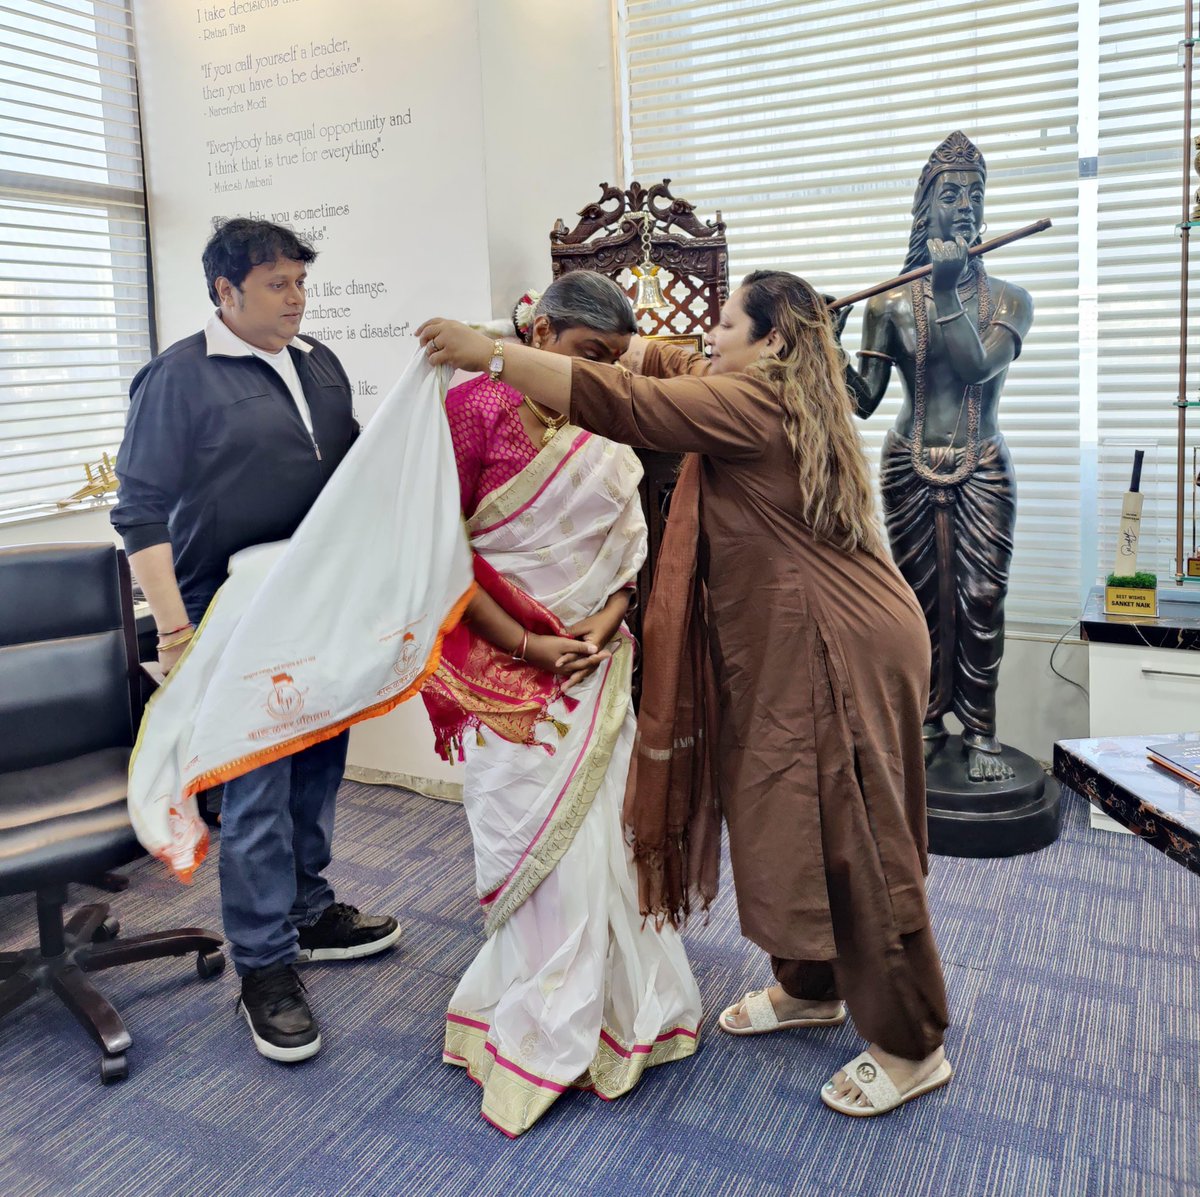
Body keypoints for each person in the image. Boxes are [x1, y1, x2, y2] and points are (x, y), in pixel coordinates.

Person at [418, 269, 951, 1118]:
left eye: (727, 321)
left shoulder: (752, 406)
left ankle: (911, 1041)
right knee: (785, 817)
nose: (709, 334)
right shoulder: (753, 387)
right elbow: (658, 364)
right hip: (792, 644)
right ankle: (811, 986)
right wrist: (586, 332)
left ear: (771, 343)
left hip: (837, 644)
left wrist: (496, 354)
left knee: (856, 836)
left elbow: (630, 402)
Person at [112, 217, 399, 1063]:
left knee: (317, 764)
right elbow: (138, 512)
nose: (296, 298)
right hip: (227, 615)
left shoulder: (317, 363)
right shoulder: (178, 378)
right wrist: (174, 629)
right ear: (224, 291)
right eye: (277, 284)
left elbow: (348, 478)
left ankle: (308, 913)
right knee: (256, 792)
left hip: (316, 607)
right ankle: (265, 968)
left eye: (301, 282)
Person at [421, 271, 701, 1137]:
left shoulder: (604, 412)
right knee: (538, 851)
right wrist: (531, 644)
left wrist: (603, 623)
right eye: (586, 355)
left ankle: (620, 1010)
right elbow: (438, 551)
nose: (600, 375)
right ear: (538, 333)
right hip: (513, 669)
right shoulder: (473, 410)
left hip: (599, 662)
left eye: (614, 361)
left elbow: (627, 552)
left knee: (607, 846)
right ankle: (542, 1021)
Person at [850, 131, 1034, 783]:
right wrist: (821, 343)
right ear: (924, 206)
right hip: (906, 460)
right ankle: (926, 718)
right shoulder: (890, 301)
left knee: (983, 595)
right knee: (917, 598)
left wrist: (953, 291)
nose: (964, 205)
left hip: (983, 459)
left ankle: (981, 727)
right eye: (949, 193)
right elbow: (861, 399)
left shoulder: (1010, 300)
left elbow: (979, 366)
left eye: (975, 194)